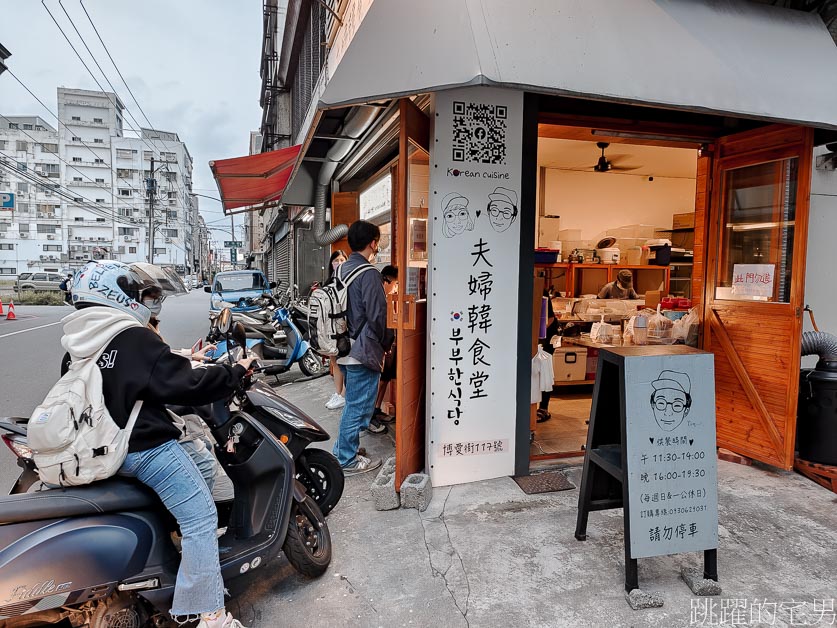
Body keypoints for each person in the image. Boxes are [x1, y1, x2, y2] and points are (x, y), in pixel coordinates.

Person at [60, 260, 255, 628]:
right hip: (146, 450)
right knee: (200, 517)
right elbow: (184, 385)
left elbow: (134, 381)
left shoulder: (79, 343)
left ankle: (188, 559)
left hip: (107, 448)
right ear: (115, 295)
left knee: (199, 464)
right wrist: (233, 373)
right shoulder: (130, 336)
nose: (143, 300)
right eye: (136, 293)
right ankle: (210, 615)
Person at [333, 220, 391, 475]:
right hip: (362, 350)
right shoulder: (368, 274)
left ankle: (346, 449)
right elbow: (379, 316)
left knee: (355, 404)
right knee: (358, 406)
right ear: (373, 243)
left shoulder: (341, 269)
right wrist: (387, 342)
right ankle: (346, 458)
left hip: (343, 347)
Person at [370, 265, 398, 427]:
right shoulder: (379, 297)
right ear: (387, 281)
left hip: (386, 344)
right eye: (395, 284)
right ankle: (370, 414)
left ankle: (376, 409)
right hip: (378, 346)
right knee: (378, 380)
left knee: (385, 378)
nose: (395, 288)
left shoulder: (386, 296)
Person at [324, 250, 348, 410]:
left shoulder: (348, 281)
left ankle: (344, 395)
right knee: (335, 361)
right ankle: (338, 393)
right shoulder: (328, 283)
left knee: (345, 362)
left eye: (342, 260)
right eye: (336, 260)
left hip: (345, 328)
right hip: (331, 327)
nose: (339, 263)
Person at [537, 290, 558, 423]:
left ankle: (543, 408)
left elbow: (549, 317)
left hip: (547, 336)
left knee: (545, 371)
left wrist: (538, 332)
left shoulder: (540, 290)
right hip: (535, 333)